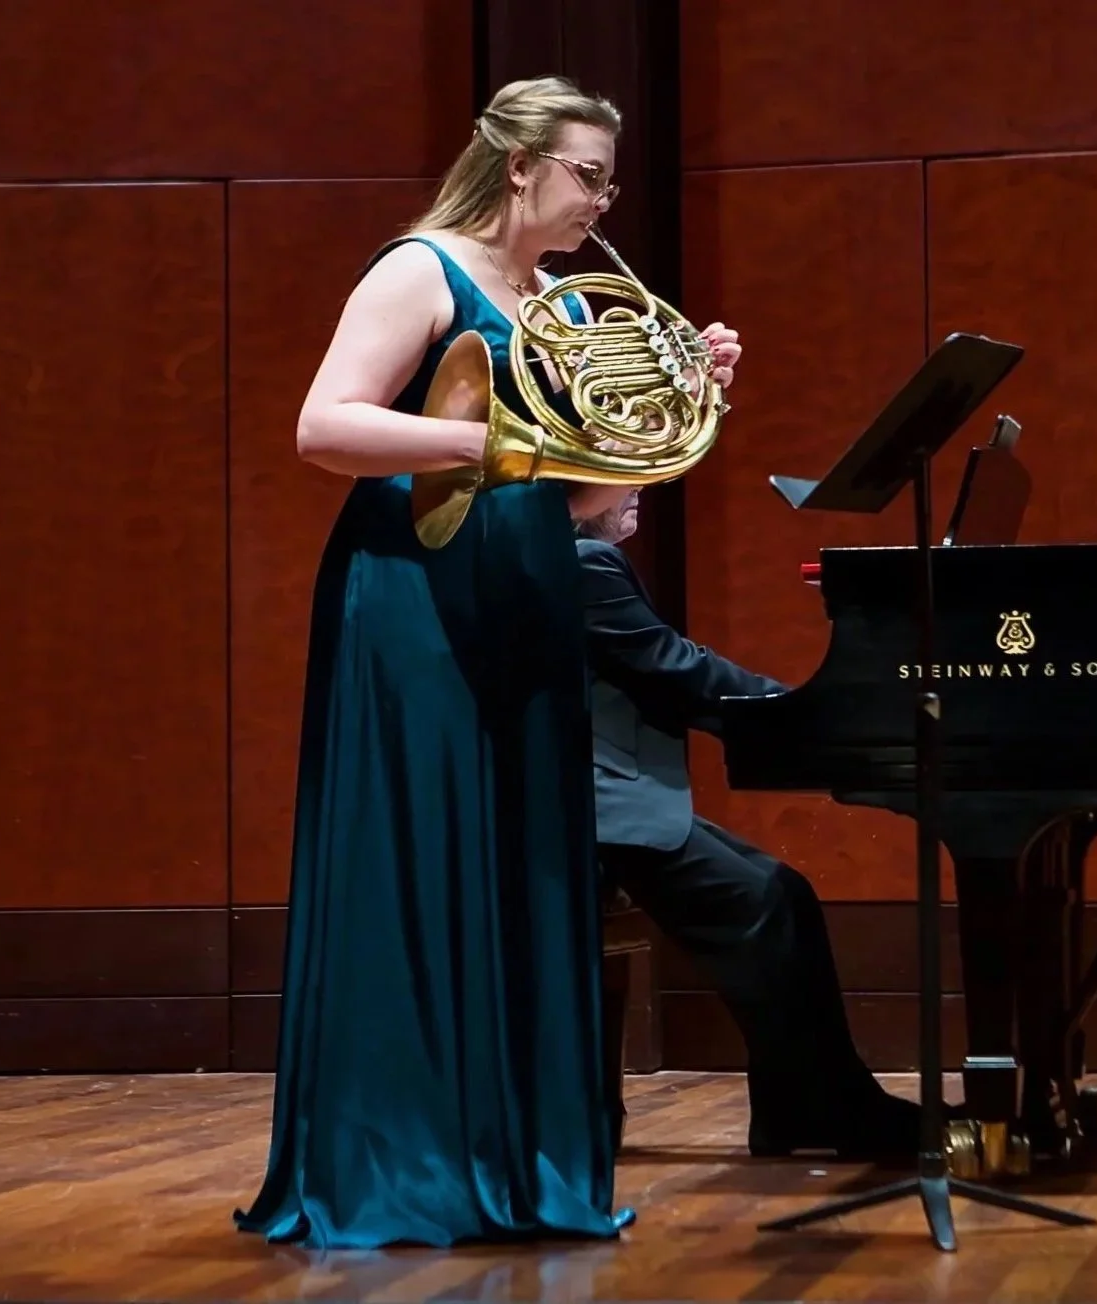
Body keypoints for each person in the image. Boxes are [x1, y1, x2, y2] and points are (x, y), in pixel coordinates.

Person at [233, 76, 742, 1251]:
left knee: (522, 862)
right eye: (586, 174)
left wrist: (677, 402)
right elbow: (325, 426)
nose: (602, 200)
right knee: (420, 850)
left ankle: (515, 1165)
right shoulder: (420, 268)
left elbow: (593, 499)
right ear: (519, 166)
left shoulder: (554, 296)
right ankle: (400, 1165)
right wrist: (507, 438)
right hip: (410, 597)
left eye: (610, 178)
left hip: (521, 588)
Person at [576, 491, 921, 1159]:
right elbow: (676, 670)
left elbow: (668, 671)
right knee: (763, 899)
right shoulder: (584, 561)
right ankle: (818, 1111)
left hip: (605, 793)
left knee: (777, 893)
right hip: (589, 804)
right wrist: (799, 711)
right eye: (626, 471)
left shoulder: (577, 558)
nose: (639, 486)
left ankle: (813, 1108)